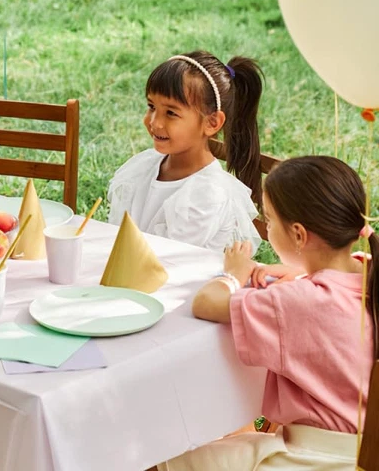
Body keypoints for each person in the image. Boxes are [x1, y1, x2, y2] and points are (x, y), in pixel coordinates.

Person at [159, 155, 377, 470]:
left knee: (168, 456)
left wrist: (234, 273)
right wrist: (300, 275)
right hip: (362, 452)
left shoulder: (297, 302)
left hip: (312, 459)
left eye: (270, 220)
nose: (267, 228)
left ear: (300, 235)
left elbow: (205, 303)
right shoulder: (368, 272)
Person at [108, 51, 264, 252]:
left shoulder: (207, 193)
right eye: (151, 106)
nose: (154, 122)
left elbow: (166, 261)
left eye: (171, 113)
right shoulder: (146, 165)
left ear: (212, 122)